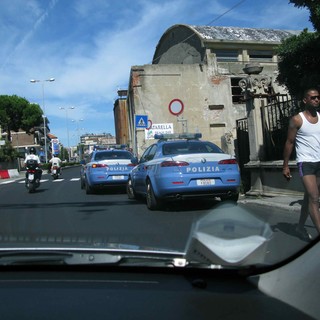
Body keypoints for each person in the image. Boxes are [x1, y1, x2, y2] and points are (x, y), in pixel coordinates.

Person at [283, 87, 320, 241]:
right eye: (312, 97)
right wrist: (285, 165)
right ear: (305, 100)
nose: (316, 100)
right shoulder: (297, 119)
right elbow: (289, 142)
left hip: (319, 162)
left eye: (318, 97)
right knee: (314, 198)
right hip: (305, 163)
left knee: (309, 197)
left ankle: (299, 227)